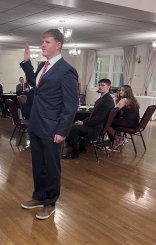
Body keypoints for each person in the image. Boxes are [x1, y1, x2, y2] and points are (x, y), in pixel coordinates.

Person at [20, 29, 79, 220]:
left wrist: (62, 130)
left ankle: (50, 202)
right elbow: (35, 84)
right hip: (37, 125)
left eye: (47, 42)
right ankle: (38, 196)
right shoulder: (42, 67)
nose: (43, 45)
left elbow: (71, 105)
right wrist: (27, 63)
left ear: (58, 45)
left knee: (51, 167)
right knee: (38, 165)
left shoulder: (66, 71)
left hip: (53, 128)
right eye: (42, 42)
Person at [63, 78, 115, 159]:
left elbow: (98, 119)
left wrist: (83, 123)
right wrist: (82, 122)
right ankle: (81, 148)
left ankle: (74, 153)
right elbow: (94, 117)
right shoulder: (104, 98)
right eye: (99, 85)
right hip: (96, 126)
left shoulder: (107, 101)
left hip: (96, 129)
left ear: (108, 87)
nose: (100, 87)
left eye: (103, 85)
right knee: (75, 124)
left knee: (72, 128)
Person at [108, 85, 140, 149]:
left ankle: (118, 139)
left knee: (107, 123)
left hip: (129, 123)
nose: (120, 92)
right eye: (120, 90)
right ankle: (119, 138)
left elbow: (113, 110)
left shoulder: (124, 100)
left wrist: (114, 99)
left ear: (127, 92)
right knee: (115, 121)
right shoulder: (132, 100)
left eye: (122, 90)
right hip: (135, 123)